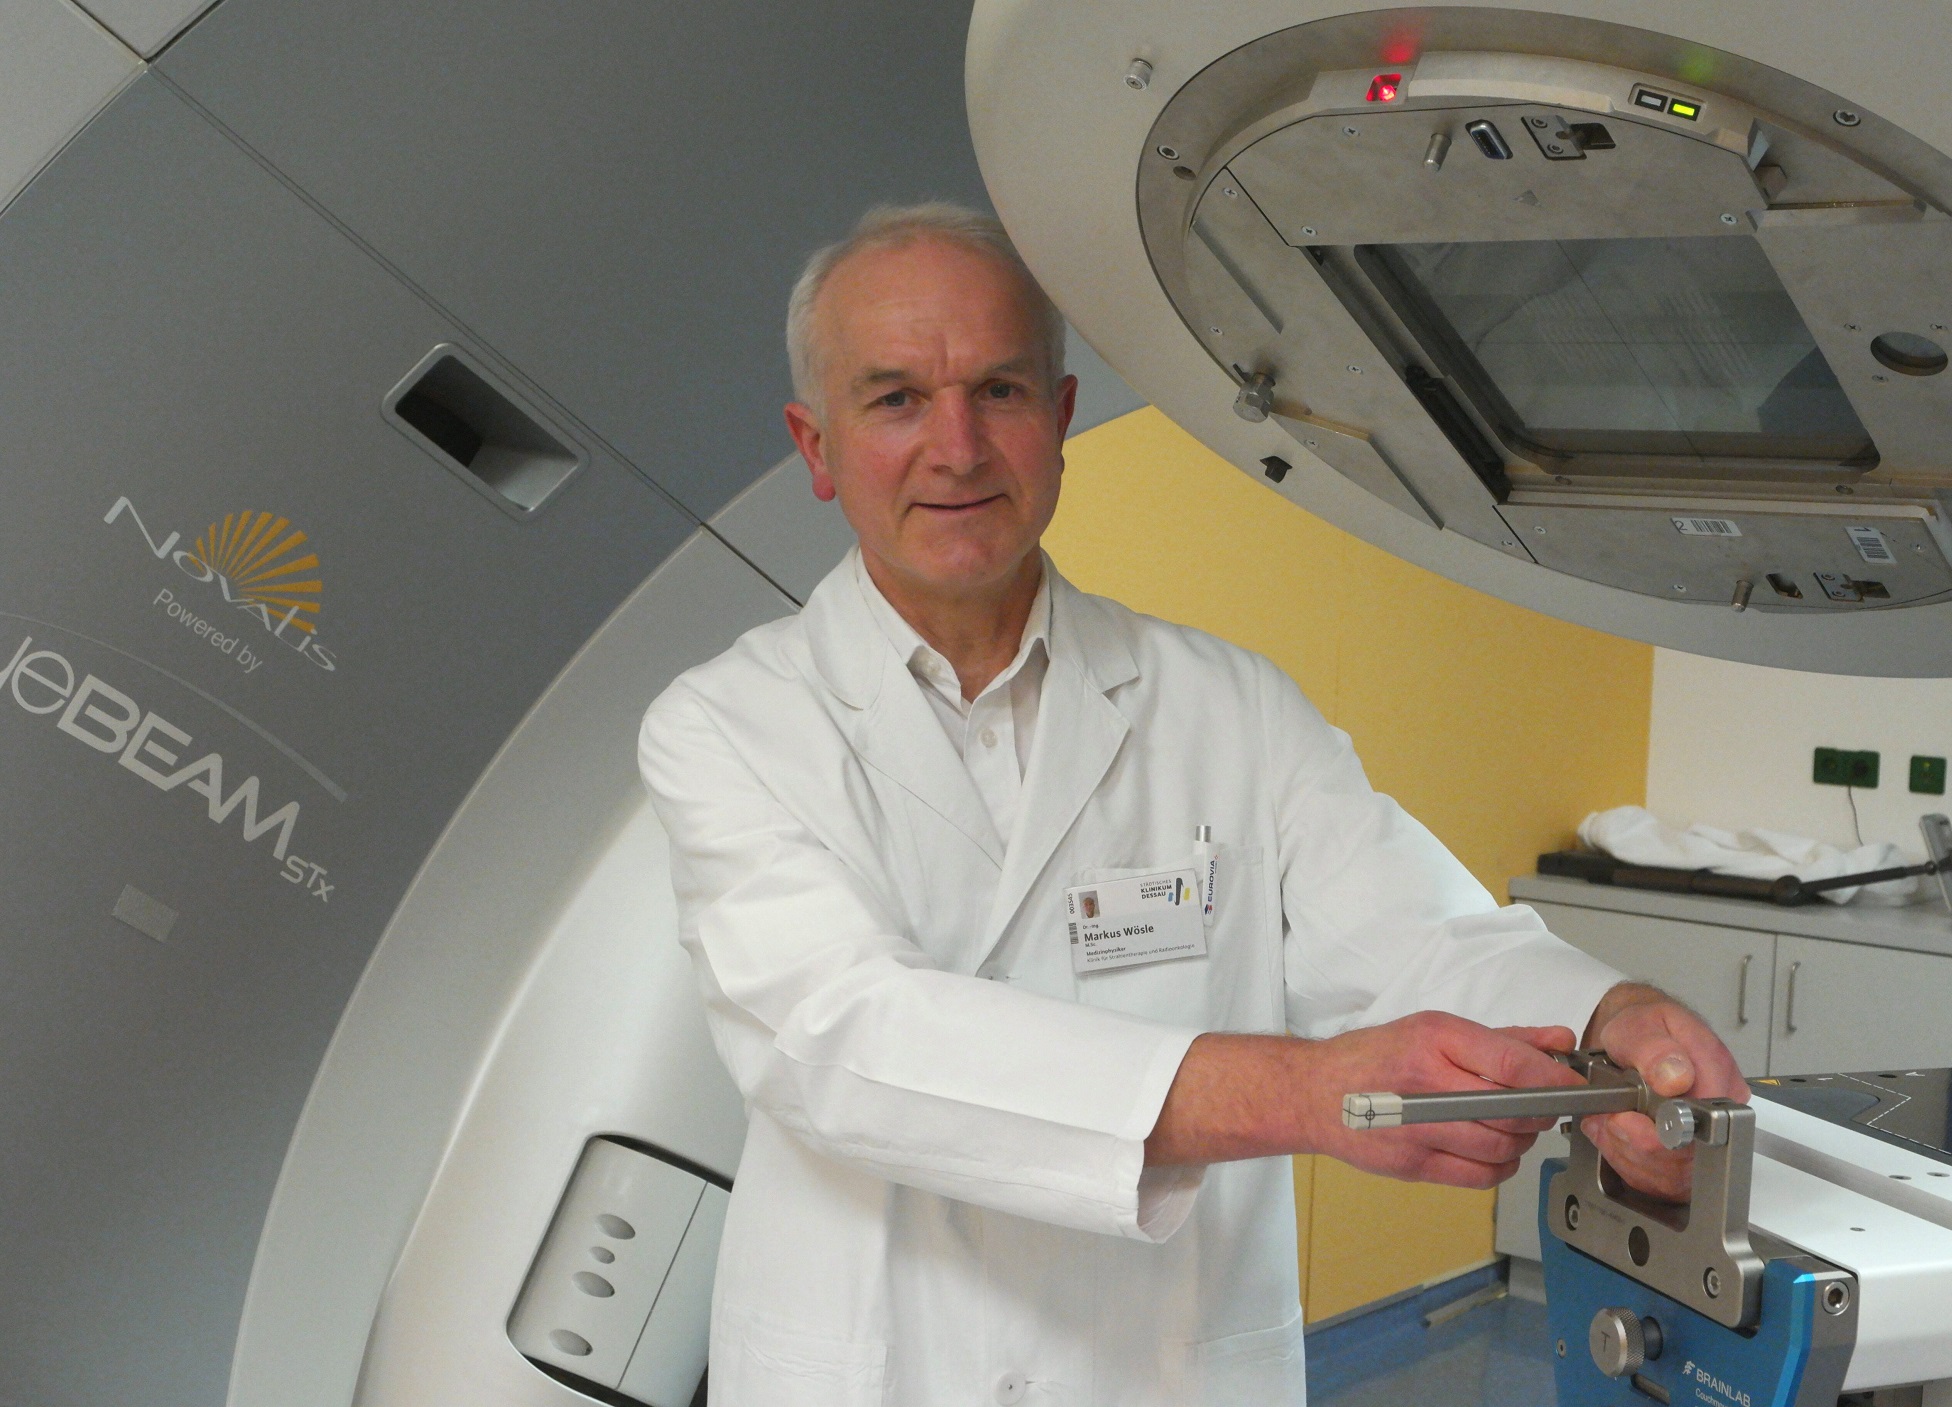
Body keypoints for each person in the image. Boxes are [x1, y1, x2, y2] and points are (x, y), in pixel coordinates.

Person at [638, 202, 1748, 1407]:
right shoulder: (727, 725)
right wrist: (1302, 1093)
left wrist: (1609, 1023)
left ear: (1061, 419)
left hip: (1159, 1368)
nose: (956, 448)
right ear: (816, 447)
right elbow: (846, 1041)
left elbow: (1418, 940)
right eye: (897, 399)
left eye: (999, 391)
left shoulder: (1231, 708)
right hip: (879, 1371)